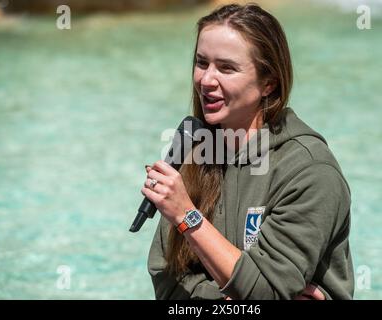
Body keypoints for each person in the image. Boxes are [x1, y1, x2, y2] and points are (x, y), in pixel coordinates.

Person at [143, 3, 354, 300]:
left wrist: (187, 215)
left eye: (226, 68)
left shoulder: (310, 170)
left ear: (269, 82)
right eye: (202, 63)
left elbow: (266, 290)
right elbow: (165, 277)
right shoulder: (194, 153)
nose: (206, 80)